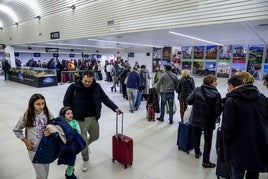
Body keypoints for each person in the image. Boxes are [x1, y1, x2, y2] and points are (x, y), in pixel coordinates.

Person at [63, 70, 122, 172]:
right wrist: (69, 114)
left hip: (93, 118)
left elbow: (105, 98)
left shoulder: (96, 87)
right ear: (82, 78)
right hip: (80, 119)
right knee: (82, 141)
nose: (87, 83)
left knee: (95, 136)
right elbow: (66, 101)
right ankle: (85, 160)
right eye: (85, 81)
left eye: (89, 81)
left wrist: (115, 108)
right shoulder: (73, 87)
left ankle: (85, 145)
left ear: (92, 79)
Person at [222, 75, 268, 179]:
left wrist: (225, 144)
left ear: (231, 86)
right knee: (254, 171)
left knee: (237, 173)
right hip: (258, 143)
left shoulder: (232, 101)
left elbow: (228, 127)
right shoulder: (261, 97)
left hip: (238, 145)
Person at [13, 93, 54, 179]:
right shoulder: (27, 115)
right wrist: (26, 141)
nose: (41, 106)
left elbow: (56, 127)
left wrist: (51, 131)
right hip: (34, 150)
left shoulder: (48, 114)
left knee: (46, 172)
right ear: (32, 104)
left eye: (43, 103)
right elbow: (17, 130)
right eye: (38, 104)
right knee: (41, 175)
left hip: (46, 149)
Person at [186, 75, 223, 168]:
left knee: (197, 135)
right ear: (211, 82)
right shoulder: (216, 94)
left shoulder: (198, 89)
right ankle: (206, 161)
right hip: (208, 120)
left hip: (196, 117)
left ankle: (197, 152)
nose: (217, 82)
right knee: (208, 140)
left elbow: (189, 101)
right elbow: (218, 111)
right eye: (215, 81)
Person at [59, 106, 81, 179]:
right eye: (68, 114)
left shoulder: (75, 122)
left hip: (74, 146)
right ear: (63, 116)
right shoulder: (61, 124)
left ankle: (69, 173)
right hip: (66, 146)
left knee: (72, 161)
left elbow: (78, 132)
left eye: (71, 113)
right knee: (70, 161)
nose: (71, 115)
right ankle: (69, 174)